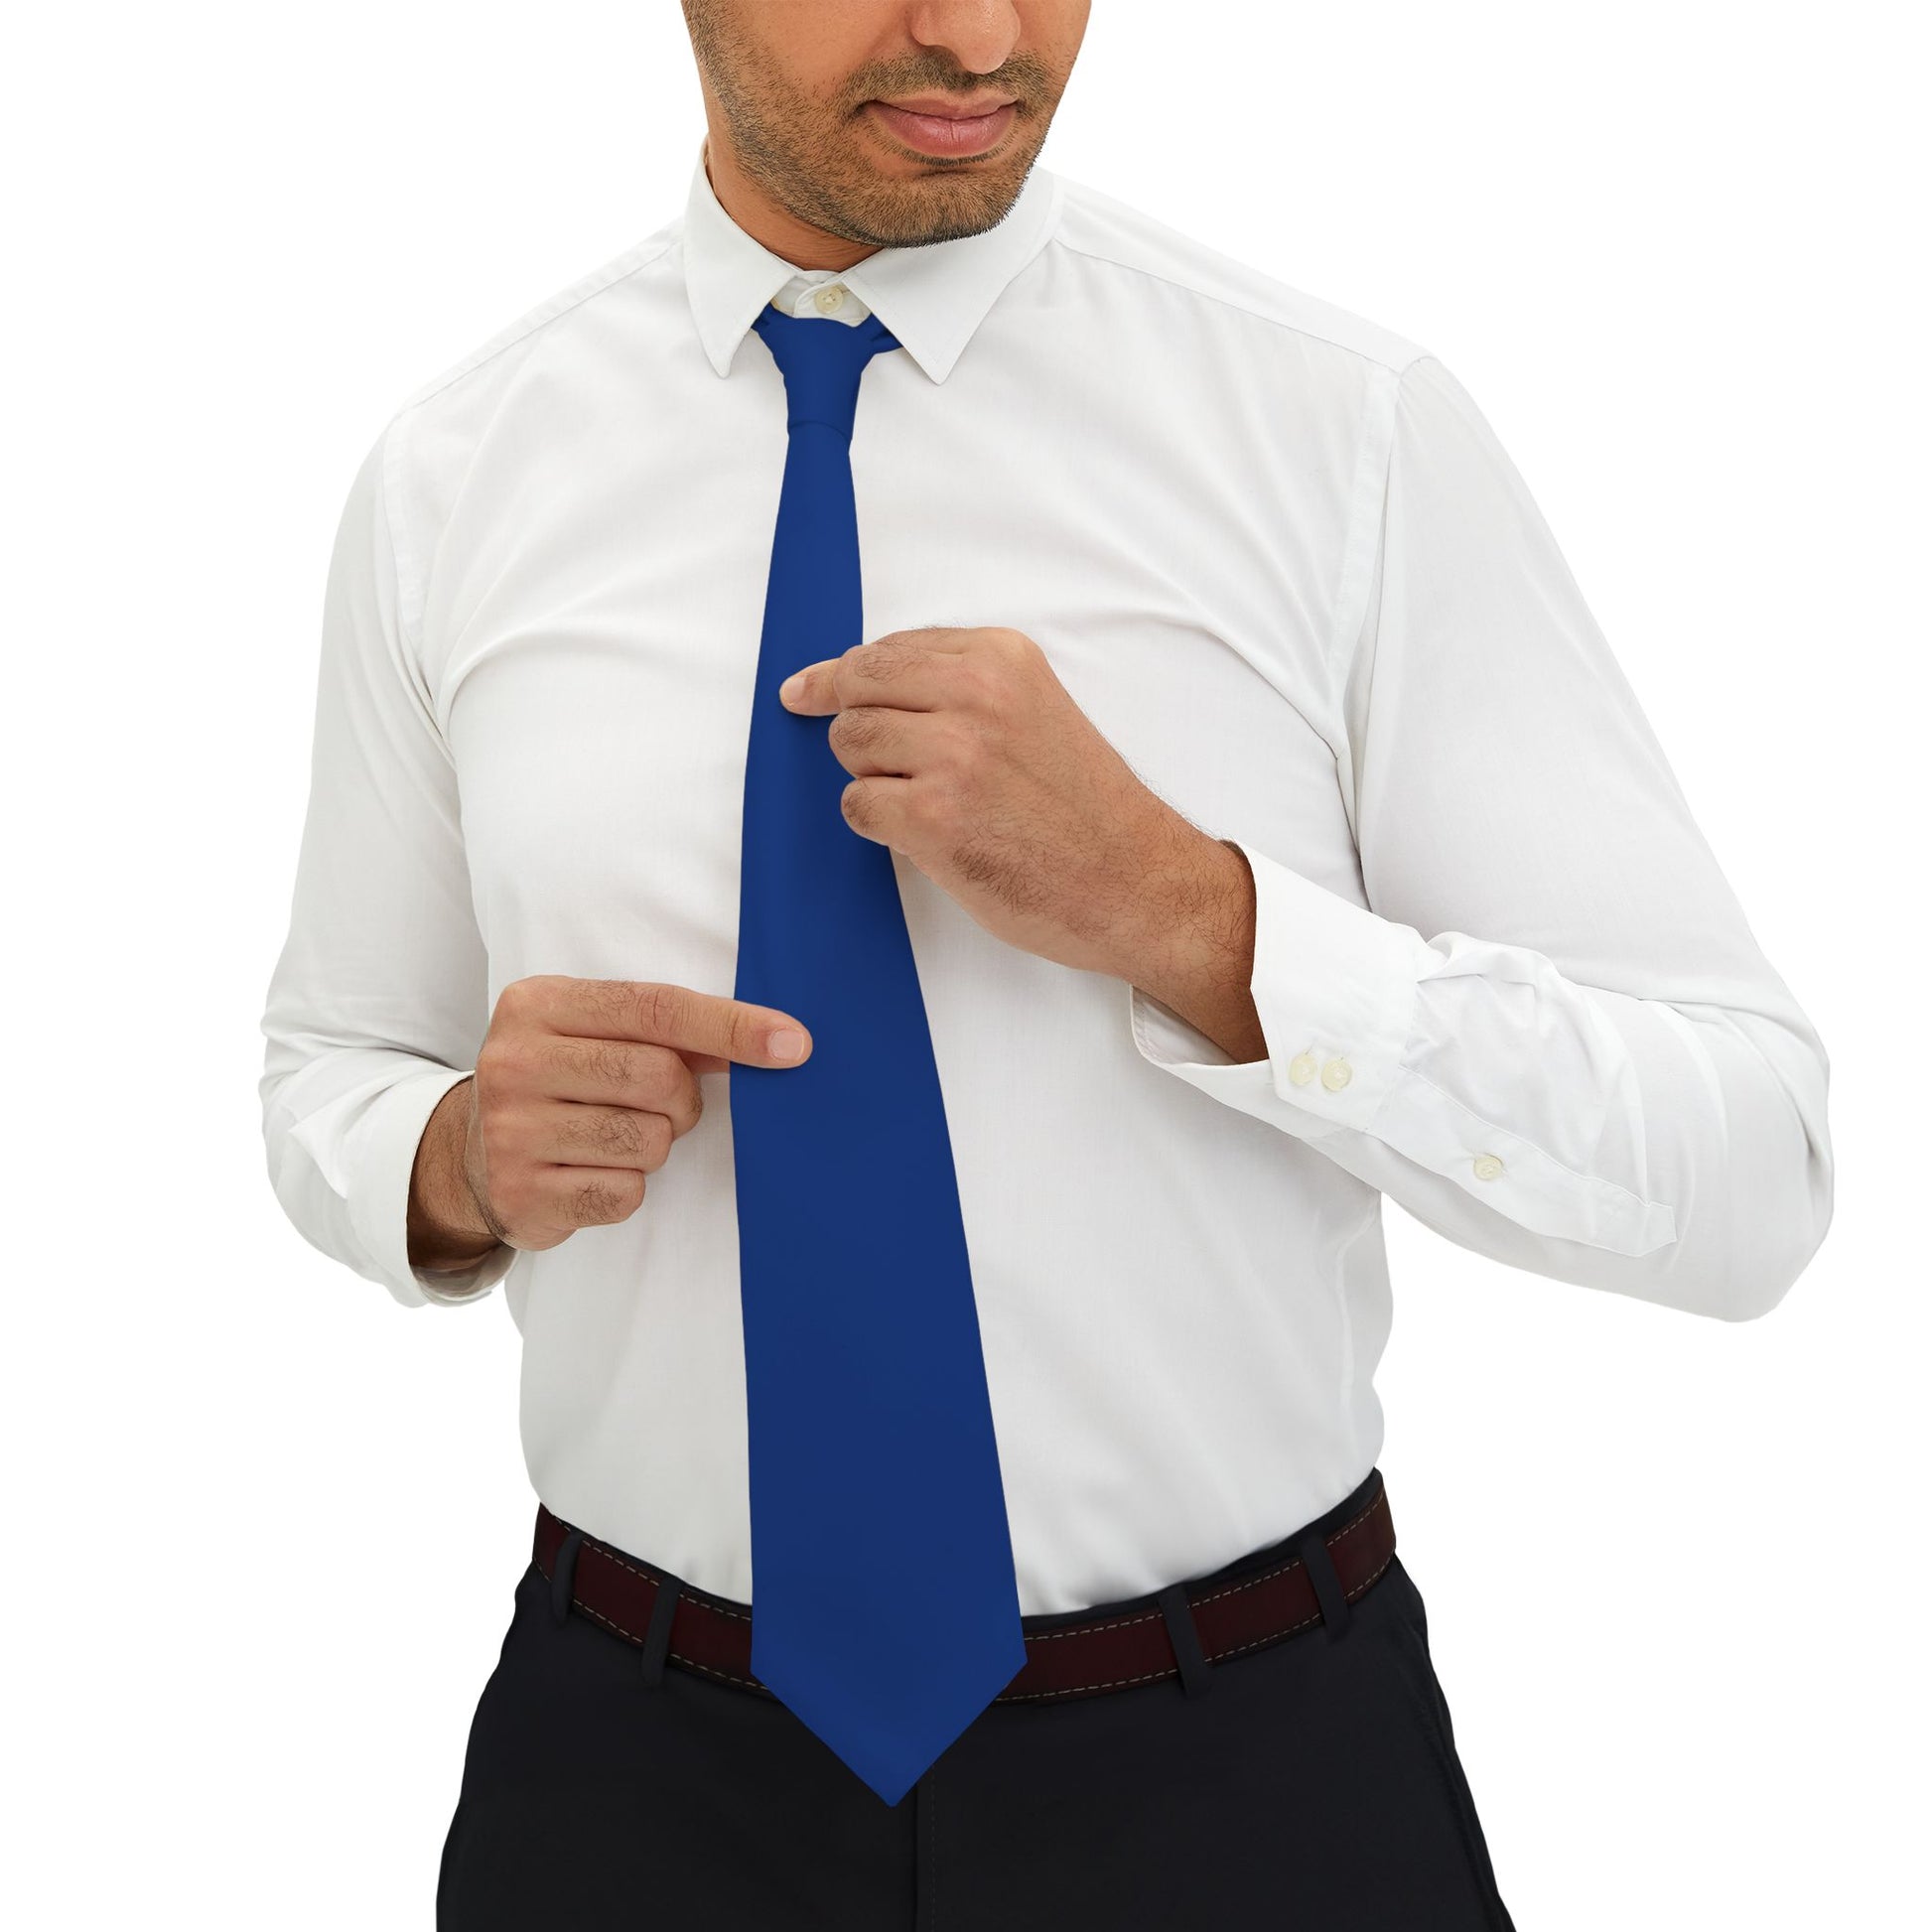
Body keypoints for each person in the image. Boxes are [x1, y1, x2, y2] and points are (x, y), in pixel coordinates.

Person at [258, 2, 1834, 1924]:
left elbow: (1746, 1169)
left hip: (1249, 1781)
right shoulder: (453, 476)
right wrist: (448, 1161)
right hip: (634, 1781)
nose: (978, 32)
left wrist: (1189, 914)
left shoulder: (1336, 431)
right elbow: (334, 1060)